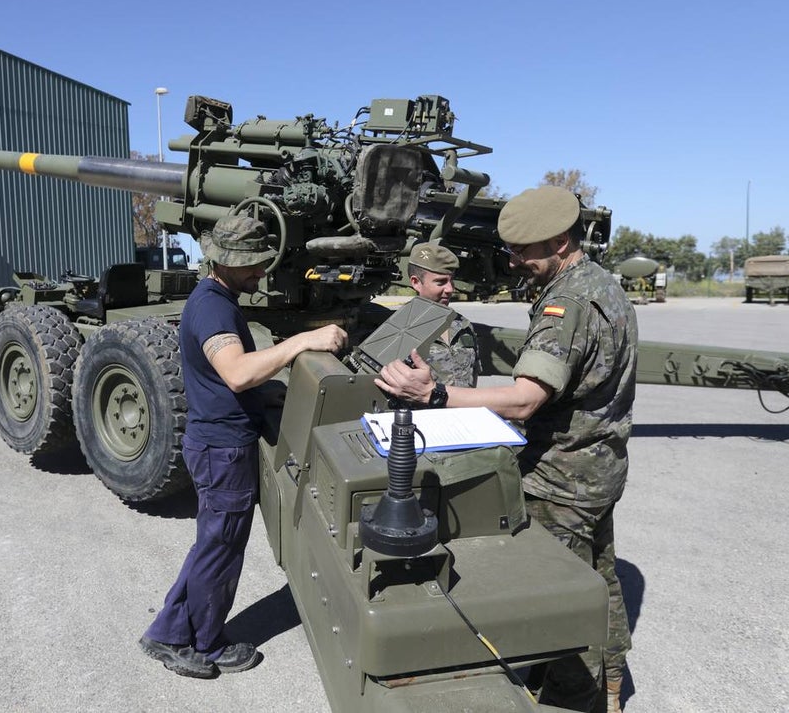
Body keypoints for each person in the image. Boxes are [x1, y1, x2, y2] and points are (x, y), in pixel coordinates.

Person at [375, 186, 636, 713]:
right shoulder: (603, 285)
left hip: (560, 479)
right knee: (599, 580)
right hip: (598, 469)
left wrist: (435, 394)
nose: (515, 261)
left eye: (524, 251)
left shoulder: (570, 303)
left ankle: (574, 698)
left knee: (557, 603)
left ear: (560, 241)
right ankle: (610, 682)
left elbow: (523, 401)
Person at [140, 215, 347, 679]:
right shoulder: (213, 308)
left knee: (212, 544)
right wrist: (303, 341)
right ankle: (205, 644)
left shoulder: (217, 298)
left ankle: (167, 632)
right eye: (251, 265)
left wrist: (265, 394)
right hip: (221, 449)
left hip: (216, 442)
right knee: (221, 548)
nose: (260, 274)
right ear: (225, 262)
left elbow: (227, 381)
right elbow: (235, 372)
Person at [406, 242, 480, 387]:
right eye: (440, 282)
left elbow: (473, 374)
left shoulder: (462, 324)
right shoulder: (400, 329)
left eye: (451, 280)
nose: (450, 289)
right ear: (416, 282)